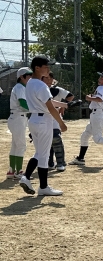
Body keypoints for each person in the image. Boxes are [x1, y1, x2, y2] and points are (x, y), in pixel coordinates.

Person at [18, 55, 68, 196]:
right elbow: (50, 107)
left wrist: (63, 105)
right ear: (37, 68)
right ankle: (43, 187)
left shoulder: (30, 83)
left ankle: (26, 177)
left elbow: (48, 103)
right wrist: (61, 123)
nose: (48, 69)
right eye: (46, 67)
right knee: (43, 155)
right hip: (44, 121)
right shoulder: (41, 85)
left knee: (40, 153)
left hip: (34, 119)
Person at [44, 72, 74, 172]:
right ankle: (50, 162)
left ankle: (60, 162)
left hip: (55, 116)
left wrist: (63, 105)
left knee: (56, 138)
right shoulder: (40, 89)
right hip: (44, 116)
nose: (48, 80)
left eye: (50, 78)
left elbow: (70, 96)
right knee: (48, 140)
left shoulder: (57, 90)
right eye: (46, 78)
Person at [7, 67, 33, 179]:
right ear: (22, 77)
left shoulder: (21, 87)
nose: (31, 77)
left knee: (15, 145)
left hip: (16, 118)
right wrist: (35, 109)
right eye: (29, 75)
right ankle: (18, 172)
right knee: (21, 145)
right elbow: (22, 103)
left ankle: (12, 171)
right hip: (18, 118)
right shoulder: (20, 87)